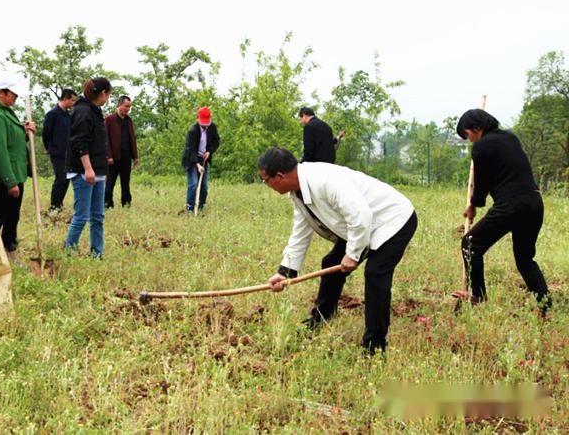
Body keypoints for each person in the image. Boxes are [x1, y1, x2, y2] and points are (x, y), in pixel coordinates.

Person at [259, 147, 418, 354]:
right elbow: (301, 231)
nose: (266, 185)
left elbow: (360, 215)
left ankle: (374, 345)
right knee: (331, 264)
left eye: (265, 180)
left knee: (375, 274)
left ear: (279, 176)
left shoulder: (324, 180)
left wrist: (352, 255)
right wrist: (285, 271)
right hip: (361, 227)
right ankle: (320, 319)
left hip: (393, 221)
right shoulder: (298, 190)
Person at [456, 109, 551, 313]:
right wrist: (476, 203)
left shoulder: (482, 146)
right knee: (525, 259)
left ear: (477, 128)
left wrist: (473, 205)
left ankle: (478, 296)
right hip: (534, 202)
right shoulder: (510, 137)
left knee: (470, 243)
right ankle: (546, 306)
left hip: (511, 205)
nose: (470, 141)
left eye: (468, 135)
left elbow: (482, 184)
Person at [0, 79, 36, 262]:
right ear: (0, 93)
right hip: (2, 178)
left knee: (12, 217)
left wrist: (25, 132)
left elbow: (12, 141)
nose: (16, 97)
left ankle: (10, 251)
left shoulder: (7, 113)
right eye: (12, 93)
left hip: (15, 174)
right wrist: (10, 182)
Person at [65, 77, 112, 258]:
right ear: (102, 93)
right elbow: (79, 142)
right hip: (83, 172)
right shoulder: (83, 111)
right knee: (81, 216)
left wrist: (101, 169)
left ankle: (97, 254)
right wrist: (88, 169)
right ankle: (69, 254)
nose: (107, 99)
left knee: (98, 217)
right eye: (108, 95)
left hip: (97, 171)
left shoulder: (94, 110)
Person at [42, 88, 77, 212]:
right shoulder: (52, 114)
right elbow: (46, 133)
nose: (73, 103)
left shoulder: (68, 115)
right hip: (57, 153)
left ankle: (59, 204)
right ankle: (54, 206)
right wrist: (50, 148)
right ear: (65, 99)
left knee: (66, 180)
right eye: (72, 100)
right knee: (60, 179)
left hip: (68, 153)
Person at [181, 107, 220, 213]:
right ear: (198, 119)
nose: (205, 125)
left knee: (204, 187)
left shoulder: (212, 127)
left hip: (204, 158)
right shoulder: (192, 131)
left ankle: (200, 207)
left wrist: (209, 152)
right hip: (191, 159)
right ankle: (190, 208)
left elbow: (216, 142)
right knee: (193, 184)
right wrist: (197, 165)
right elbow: (190, 149)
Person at [104, 95, 140, 208]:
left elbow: (132, 139)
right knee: (110, 182)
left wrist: (135, 156)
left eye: (129, 107)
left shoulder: (129, 121)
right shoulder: (109, 120)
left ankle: (126, 203)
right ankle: (107, 204)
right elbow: (106, 139)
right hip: (113, 158)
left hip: (126, 156)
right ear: (119, 105)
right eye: (126, 106)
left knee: (125, 182)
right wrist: (108, 156)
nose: (127, 109)